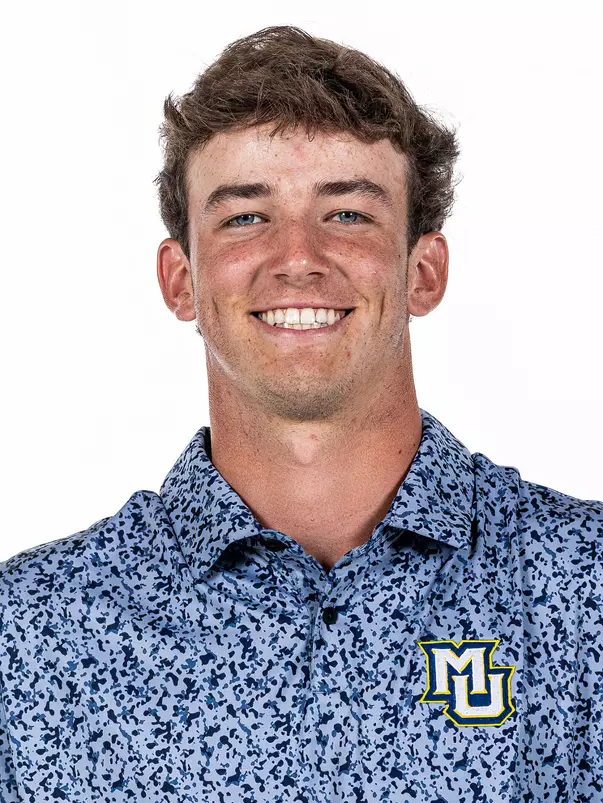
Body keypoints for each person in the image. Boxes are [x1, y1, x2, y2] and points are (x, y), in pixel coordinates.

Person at [0, 24, 601, 803]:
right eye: (244, 216)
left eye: (347, 214)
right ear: (180, 281)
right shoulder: (30, 637)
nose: (297, 257)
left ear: (422, 271)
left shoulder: (585, 590)